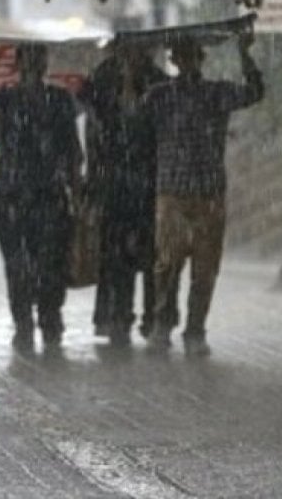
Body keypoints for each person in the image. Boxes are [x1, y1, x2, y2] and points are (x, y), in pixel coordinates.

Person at [142, 31, 265, 356]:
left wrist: (245, 55)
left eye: (191, 56)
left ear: (199, 59)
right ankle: (163, 323)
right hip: (173, 193)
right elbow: (133, 118)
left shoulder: (215, 93)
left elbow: (254, 92)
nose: (187, 63)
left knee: (204, 268)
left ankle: (194, 329)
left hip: (206, 192)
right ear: (174, 60)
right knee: (168, 266)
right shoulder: (159, 96)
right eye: (181, 56)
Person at [0, 43, 82, 353]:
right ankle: (27, 323)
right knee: (19, 265)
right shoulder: (7, 100)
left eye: (35, 61)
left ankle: (47, 319)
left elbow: (71, 151)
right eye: (27, 61)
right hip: (15, 196)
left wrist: (75, 187)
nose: (31, 67)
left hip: (45, 195)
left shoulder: (58, 100)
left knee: (49, 263)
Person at [79, 41, 170, 347]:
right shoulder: (104, 78)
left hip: (147, 180)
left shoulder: (157, 81)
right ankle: (119, 316)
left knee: (151, 255)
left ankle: (152, 317)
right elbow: (94, 122)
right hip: (115, 181)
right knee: (117, 255)